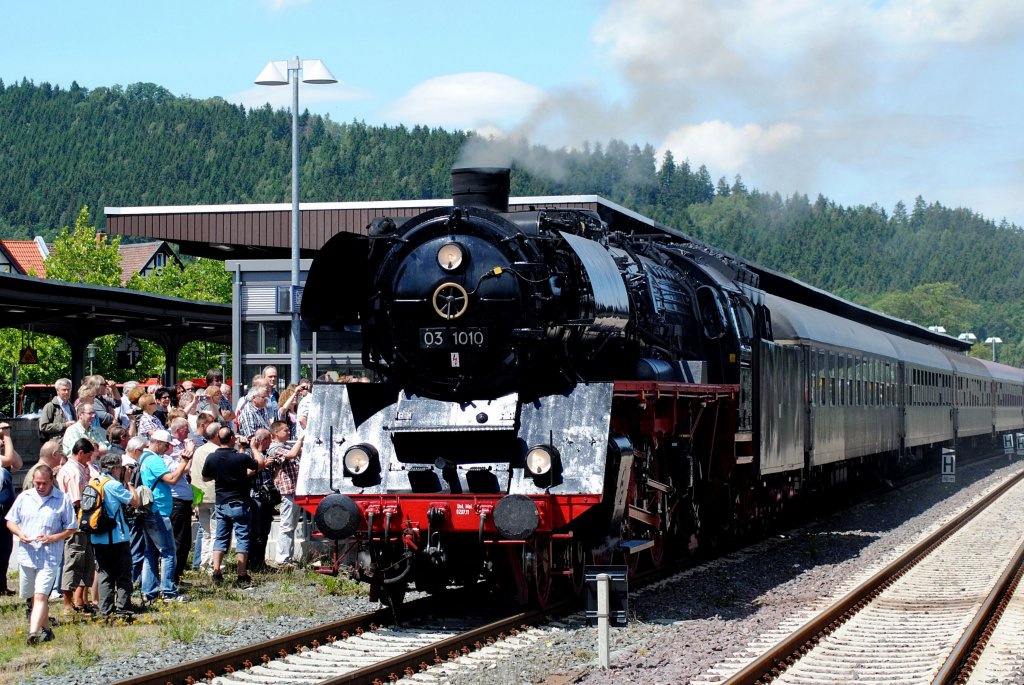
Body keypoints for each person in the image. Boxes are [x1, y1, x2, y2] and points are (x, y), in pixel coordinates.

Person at [5, 464, 77, 644]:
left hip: (50, 556)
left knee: (40, 595)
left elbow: (72, 527)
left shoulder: (62, 499)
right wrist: (20, 534)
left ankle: (33, 634)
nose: (40, 487)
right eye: (37, 483)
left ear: (51, 481)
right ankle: (46, 629)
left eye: (44, 483)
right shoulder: (25, 497)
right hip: (27, 555)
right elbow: (10, 521)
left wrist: (53, 537)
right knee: (31, 595)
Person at [203, 427, 265, 588]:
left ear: (218, 438)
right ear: (232, 438)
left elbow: (205, 476)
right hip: (239, 501)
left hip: (221, 502)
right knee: (242, 538)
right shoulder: (240, 458)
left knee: (220, 537)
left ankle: (216, 571)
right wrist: (253, 448)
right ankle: (241, 574)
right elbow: (260, 464)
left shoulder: (212, 457)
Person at [137, 430, 191, 603]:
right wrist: (184, 462)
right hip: (158, 511)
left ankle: (150, 591)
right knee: (168, 551)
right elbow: (172, 479)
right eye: (167, 445)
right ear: (159, 442)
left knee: (151, 552)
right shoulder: (154, 459)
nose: (168, 449)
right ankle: (169, 591)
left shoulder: (143, 458)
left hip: (149, 510)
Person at [90, 452, 140, 618]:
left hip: (97, 536)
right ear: (116, 468)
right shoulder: (114, 485)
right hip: (116, 536)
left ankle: (106, 610)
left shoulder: (94, 482)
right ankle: (123, 609)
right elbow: (135, 501)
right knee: (123, 574)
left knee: (104, 573)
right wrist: (128, 482)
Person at [56, 438, 98, 615]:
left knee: (86, 562)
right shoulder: (74, 472)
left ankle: (80, 600)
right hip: (75, 522)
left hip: (82, 524)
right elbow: (76, 500)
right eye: (88, 455)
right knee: (73, 561)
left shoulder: (79, 469)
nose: (89, 459)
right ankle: (67, 604)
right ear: (81, 452)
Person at [268, 421, 304, 566]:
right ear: (276, 433)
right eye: (285, 430)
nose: (288, 433)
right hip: (287, 491)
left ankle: (287, 557)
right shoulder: (275, 447)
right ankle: (282, 559)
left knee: (291, 526)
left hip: (294, 490)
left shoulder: (284, 446)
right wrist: (300, 439)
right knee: (286, 526)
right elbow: (291, 454)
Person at [190, 422, 222, 572]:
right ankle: (212, 564)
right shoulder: (218, 451)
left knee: (206, 532)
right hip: (214, 494)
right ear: (217, 435)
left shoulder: (198, 450)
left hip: (199, 494)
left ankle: (204, 562)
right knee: (216, 531)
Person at [0, 421, 24, 596]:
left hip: (5, 513)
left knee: (5, 548)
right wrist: (7, 436)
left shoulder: (4, 450)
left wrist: (6, 440)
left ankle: (2, 584)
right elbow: (7, 460)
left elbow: (17, 463)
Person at [38, 378, 76, 443]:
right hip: (57, 445)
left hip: (71, 443)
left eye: (68, 390)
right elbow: (43, 426)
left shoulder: (71, 406)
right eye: (64, 390)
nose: (66, 392)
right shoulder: (50, 406)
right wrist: (64, 425)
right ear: (57, 391)